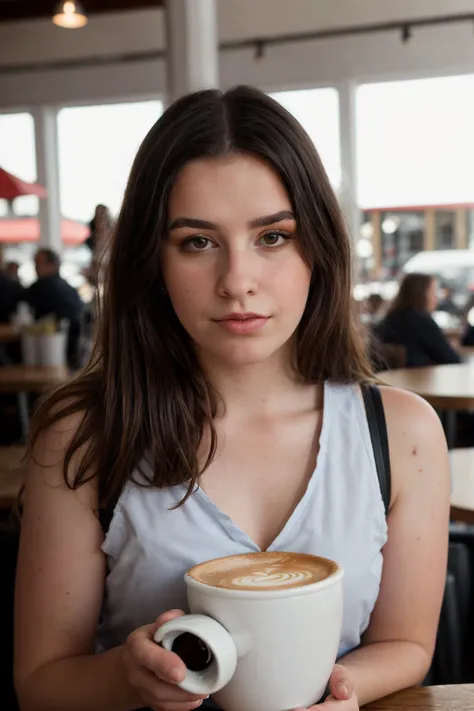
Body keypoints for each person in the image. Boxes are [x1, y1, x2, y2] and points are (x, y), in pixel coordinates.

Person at [14, 87, 449, 711]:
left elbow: (406, 642)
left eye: (272, 236)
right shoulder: (84, 435)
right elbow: (41, 682)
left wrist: (345, 692)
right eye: (198, 241)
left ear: (317, 250)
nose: (236, 282)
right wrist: (128, 679)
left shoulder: (402, 433)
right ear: (152, 263)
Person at [374, 272, 461, 368]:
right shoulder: (421, 321)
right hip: (414, 380)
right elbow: (452, 359)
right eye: (433, 292)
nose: (436, 298)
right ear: (422, 294)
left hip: (387, 379)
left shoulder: (390, 318)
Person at [25, 248, 85, 369]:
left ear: (52, 265)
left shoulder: (41, 286)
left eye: (37, 263)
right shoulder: (69, 288)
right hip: (74, 354)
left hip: (51, 354)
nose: (35, 267)